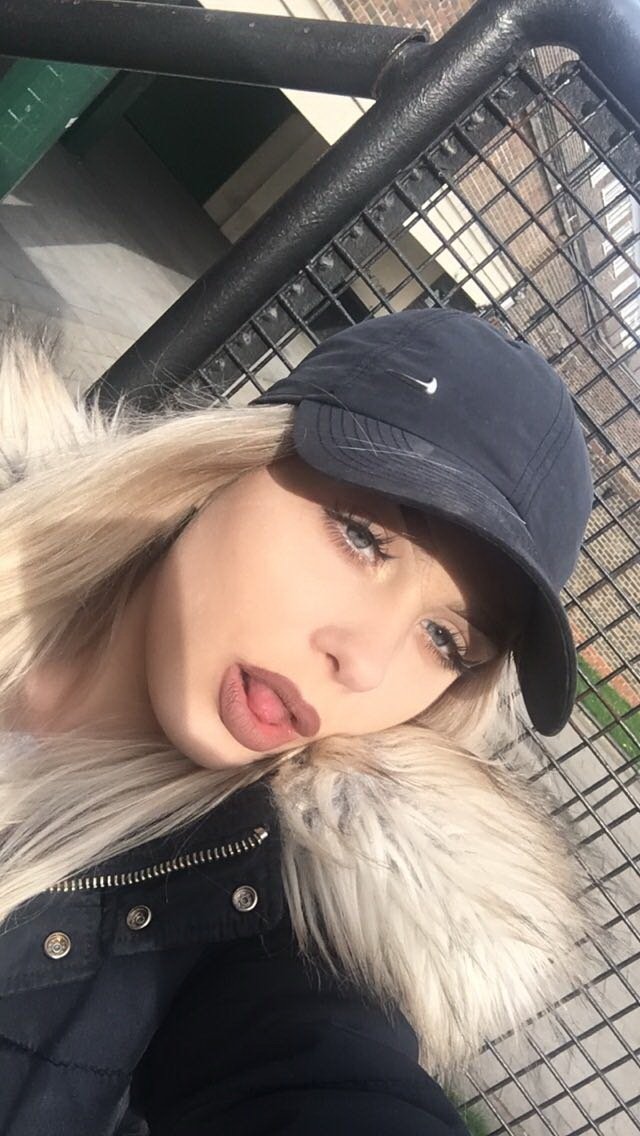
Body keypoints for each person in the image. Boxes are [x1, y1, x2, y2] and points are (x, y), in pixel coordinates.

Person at [0, 309, 600, 1135]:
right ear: (235, 460)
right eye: (362, 536)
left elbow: (322, 1070)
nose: (365, 662)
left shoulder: (272, 917)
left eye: (445, 641)